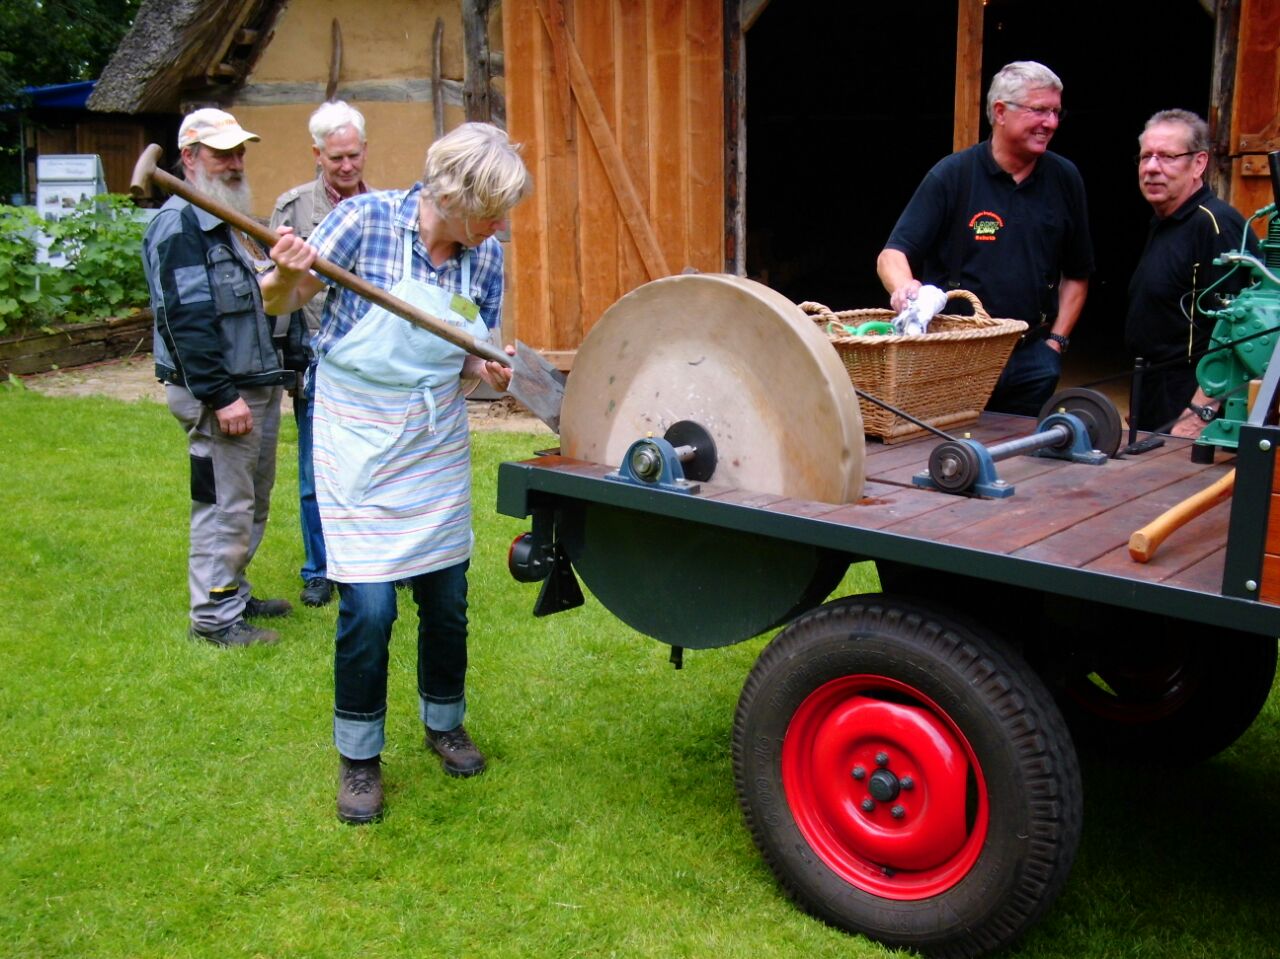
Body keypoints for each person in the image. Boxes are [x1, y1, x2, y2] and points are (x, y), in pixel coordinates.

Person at [261, 121, 532, 824]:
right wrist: (290, 269)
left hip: (432, 439)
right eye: (494, 209)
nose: (502, 224)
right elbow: (279, 299)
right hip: (357, 433)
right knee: (371, 605)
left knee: (445, 598)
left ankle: (444, 721)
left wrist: (485, 365)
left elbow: (471, 346)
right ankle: (359, 756)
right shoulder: (364, 220)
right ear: (457, 196)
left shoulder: (486, 256)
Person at [142, 108, 297, 647]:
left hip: (252, 387)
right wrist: (221, 395)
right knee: (222, 504)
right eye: (221, 153)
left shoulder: (226, 220)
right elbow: (184, 318)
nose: (235, 163)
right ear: (189, 157)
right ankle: (213, 619)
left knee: (251, 500)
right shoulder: (180, 227)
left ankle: (229, 589)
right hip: (221, 396)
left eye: (239, 152)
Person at [877, 61, 1094, 416]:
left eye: (1056, 112)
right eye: (1039, 110)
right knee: (948, 460)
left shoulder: (1065, 179)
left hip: (1032, 360)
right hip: (956, 356)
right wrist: (904, 288)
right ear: (1000, 112)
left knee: (1023, 463)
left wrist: (1055, 344)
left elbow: (1078, 273)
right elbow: (893, 254)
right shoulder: (953, 176)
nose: (1051, 123)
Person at [269, 101, 374, 609]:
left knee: (373, 467)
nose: (347, 166)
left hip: (372, 362)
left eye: (354, 155)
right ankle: (319, 570)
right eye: (336, 159)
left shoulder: (385, 208)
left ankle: (377, 561)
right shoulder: (293, 211)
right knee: (316, 472)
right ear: (318, 155)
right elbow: (275, 290)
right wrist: (286, 363)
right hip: (314, 359)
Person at [1125, 108, 1261, 436]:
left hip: (1190, 401)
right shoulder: (1166, 221)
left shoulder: (1216, 225)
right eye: (1146, 157)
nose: (1152, 168)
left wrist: (1200, 411)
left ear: (1198, 163)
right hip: (1154, 387)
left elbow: (1239, 331)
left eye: (1167, 157)